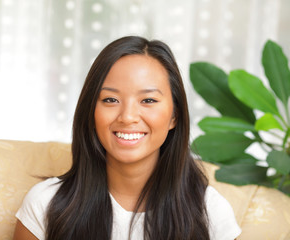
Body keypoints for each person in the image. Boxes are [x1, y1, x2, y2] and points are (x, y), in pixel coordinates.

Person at [13, 36, 241, 240]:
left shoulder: (210, 212)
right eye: (111, 100)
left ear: (174, 116)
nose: (128, 117)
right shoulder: (45, 204)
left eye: (148, 100)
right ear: (90, 111)